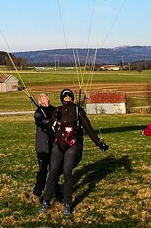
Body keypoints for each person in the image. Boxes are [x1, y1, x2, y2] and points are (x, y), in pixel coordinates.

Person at [39, 88, 108, 217]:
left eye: (68, 97)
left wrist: (99, 143)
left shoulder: (77, 111)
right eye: (65, 97)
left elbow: (88, 128)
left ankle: (67, 203)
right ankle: (46, 201)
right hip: (58, 145)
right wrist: (52, 123)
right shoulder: (57, 111)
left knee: (67, 173)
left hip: (72, 145)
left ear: (71, 98)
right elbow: (50, 129)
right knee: (53, 172)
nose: (67, 99)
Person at [33, 93, 59, 198]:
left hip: (54, 144)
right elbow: (40, 122)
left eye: (45, 96)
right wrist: (49, 122)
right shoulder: (38, 112)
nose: (43, 97)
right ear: (39, 101)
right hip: (42, 145)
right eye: (41, 97)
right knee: (43, 170)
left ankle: (55, 190)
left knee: (54, 169)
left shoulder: (55, 110)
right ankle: (38, 191)